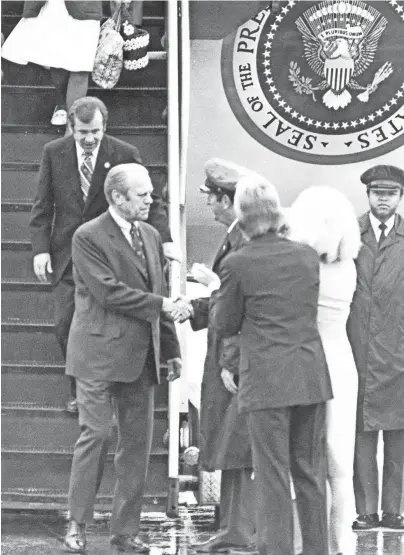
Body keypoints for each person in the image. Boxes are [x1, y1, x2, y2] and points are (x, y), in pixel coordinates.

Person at [29, 96, 179, 413]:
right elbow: (42, 207)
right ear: (72, 127)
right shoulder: (54, 153)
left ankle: (112, 387)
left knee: (113, 325)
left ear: (104, 126)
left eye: (95, 131)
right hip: (68, 256)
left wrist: (164, 239)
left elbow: (149, 200)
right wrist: (41, 250)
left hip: (112, 255)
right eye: (82, 131)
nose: (89, 138)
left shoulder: (124, 154)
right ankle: (81, 393)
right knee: (65, 324)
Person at [63, 163, 185, 553]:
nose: (152, 199)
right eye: (143, 194)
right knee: (96, 435)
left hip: (140, 355)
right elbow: (108, 292)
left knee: (136, 445)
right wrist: (164, 306)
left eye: (151, 193)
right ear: (117, 197)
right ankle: (77, 523)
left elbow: (158, 286)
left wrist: (171, 349)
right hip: (97, 353)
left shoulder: (149, 234)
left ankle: (124, 531)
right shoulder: (88, 236)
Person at [212, 176, 333, 555]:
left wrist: (216, 293)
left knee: (272, 475)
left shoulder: (237, 263)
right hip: (310, 376)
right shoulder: (306, 256)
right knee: (310, 473)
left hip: (266, 381)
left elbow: (226, 324)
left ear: (242, 216)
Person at [286, 187, 362, 555]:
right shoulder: (348, 266)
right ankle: (342, 541)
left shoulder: (302, 266)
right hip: (342, 361)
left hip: (307, 363)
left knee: (302, 460)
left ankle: (304, 543)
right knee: (340, 461)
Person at [189, 159, 256, 554]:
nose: (209, 206)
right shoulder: (235, 236)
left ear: (227, 200)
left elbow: (239, 303)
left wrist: (231, 362)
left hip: (232, 354)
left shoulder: (242, 240)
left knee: (239, 440)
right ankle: (231, 526)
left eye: (212, 199)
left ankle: (240, 528)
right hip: (225, 349)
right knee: (231, 439)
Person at [347, 165, 404, 531]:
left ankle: (395, 511)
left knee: (399, 434)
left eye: (391, 193)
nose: (383, 199)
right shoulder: (349, 234)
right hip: (358, 350)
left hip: (400, 351)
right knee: (361, 433)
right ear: (367, 195)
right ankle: (366, 511)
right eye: (377, 193)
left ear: (400, 197)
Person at [2, 0, 102, 126]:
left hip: (87, 6)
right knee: (56, 59)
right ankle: (61, 105)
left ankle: (71, 128)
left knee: (81, 65)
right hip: (56, 6)